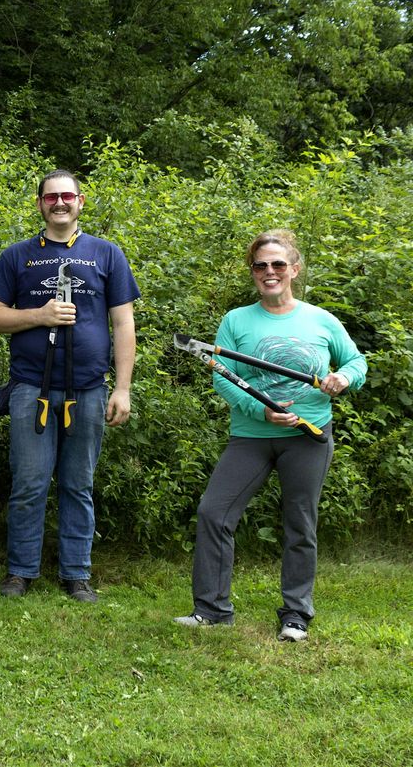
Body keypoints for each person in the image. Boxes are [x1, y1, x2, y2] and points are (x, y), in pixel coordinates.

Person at [173, 229, 366, 642]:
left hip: (308, 436)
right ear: (253, 273)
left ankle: (295, 615)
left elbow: (356, 363)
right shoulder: (236, 321)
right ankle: (211, 610)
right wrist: (259, 408)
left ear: (294, 269)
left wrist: (341, 378)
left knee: (300, 522)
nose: (269, 271)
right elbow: (223, 380)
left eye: (278, 264)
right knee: (213, 512)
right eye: (260, 265)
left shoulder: (321, 319)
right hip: (251, 436)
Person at [0, 169, 139, 603]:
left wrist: (121, 388)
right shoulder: (18, 256)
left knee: (78, 483)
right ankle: (20, 570)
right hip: (31, 386)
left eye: (67, 196)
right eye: (51, 198)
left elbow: (123, 325)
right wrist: (40, 315)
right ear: (40, 205)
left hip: (88, 388)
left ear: (81, 201)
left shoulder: (106, 254)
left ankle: (76, 572)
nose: (60, 203)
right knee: (29, 483)